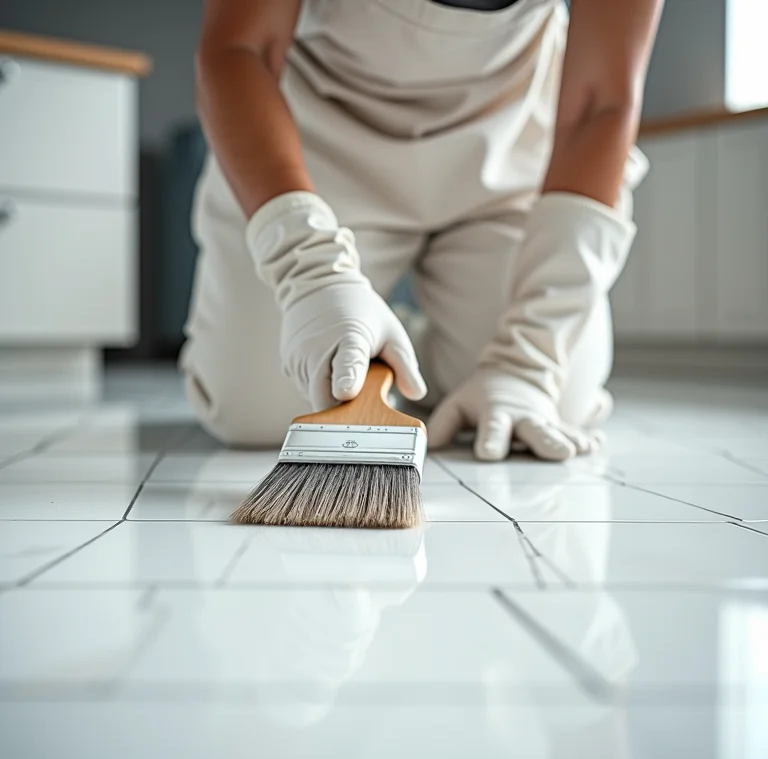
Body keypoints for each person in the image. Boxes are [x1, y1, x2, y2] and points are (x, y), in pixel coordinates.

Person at [181, 0, 662, 462]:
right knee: (257, 410)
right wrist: (307, 268)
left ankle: (407, 344)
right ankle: (367, 323)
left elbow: (602, 101)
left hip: (508, 139)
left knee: (560, 398)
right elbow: (240, 49)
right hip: (318, 142)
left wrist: (528, 363)